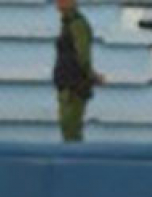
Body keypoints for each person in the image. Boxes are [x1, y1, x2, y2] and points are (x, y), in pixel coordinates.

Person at [54, 0, 104, 142]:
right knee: (67, 127)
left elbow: (83, 55)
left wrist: (91, 76)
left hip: (74, 84)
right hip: (66, 82)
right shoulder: (67, 24)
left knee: (71, 128)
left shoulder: (77, 25)